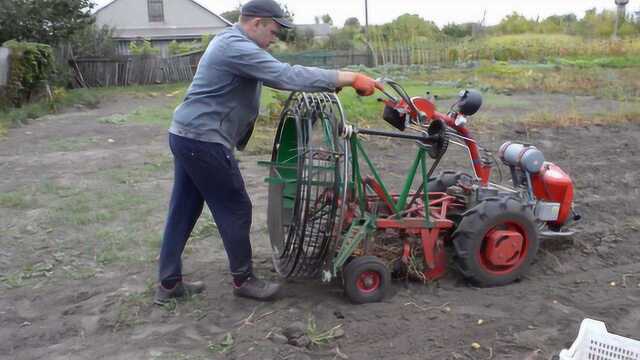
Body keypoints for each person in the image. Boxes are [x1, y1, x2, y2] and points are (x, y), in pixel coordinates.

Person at [154, 0, 383, 304]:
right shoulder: (236, 47)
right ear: (257, 22)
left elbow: (277, 77)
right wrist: (349, 77)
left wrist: (327, 86)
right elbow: (284, 76)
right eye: (274, 31)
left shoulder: (231, 42)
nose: (275, 38)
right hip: (203, 141)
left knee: (183, 209)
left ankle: (169, 284)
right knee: (235, 207)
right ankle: (244, 280)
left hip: (187, 135)